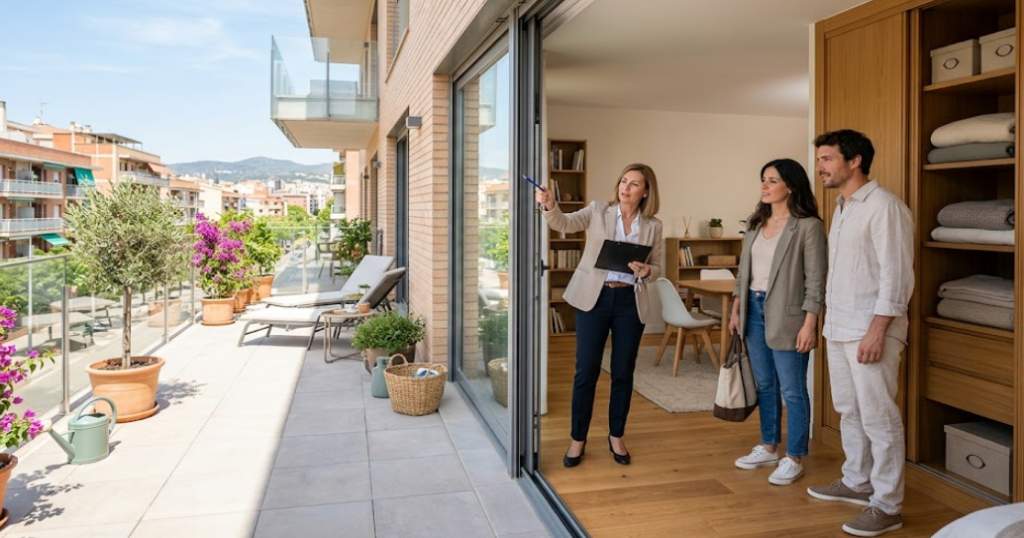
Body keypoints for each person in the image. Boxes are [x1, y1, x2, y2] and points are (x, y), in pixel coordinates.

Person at [805, 130, 913, 537]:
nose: (820, 167)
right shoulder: (842, 207)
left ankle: (887, 505)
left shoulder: (885, 207)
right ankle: (857, 480)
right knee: (848, 410)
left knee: (879, 416)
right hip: (840, 327)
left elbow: (897, 276)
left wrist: (877, 330)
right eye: (819, 159)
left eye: (827, 159)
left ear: (854, 162)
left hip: (871, 330)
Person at [535, 163, 663, 467]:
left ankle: (616, 435)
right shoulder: (598, 210)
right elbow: (565, 223)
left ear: (646, 192)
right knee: (586, 371)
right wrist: (550, 206)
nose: (626, 187)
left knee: (623, 372)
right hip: (595, 299)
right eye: (624, 181)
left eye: (634, 184)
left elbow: (659, 265)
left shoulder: (653, 225)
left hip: (630, 300)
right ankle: (577, 438)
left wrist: (648, 270)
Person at [728, 158, 827, 486]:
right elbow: (743, 272)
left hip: (789, 316)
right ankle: (769, 446)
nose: (765, 186)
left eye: (772, 180)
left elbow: (816, 281)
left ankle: (794, 456)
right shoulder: (755, 223)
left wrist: (810, 324)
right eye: (763, 179)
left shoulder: (808, 227)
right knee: (765, 385)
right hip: (753, 311)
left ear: (791, 186)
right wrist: (736, 308)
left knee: (793, 390)